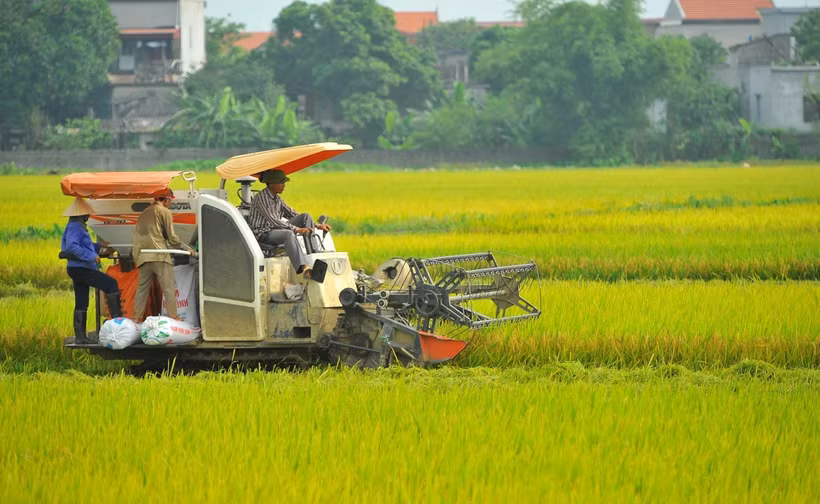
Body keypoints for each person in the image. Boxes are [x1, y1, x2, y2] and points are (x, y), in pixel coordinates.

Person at [248, 169, 331, 278]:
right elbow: (274, 221)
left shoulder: (277, 199)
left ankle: (314, 254)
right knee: (288, 234)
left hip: (274, 230)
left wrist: (317, 225)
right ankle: (304, 267)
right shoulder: (262, 198)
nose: (284, 186)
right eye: (281, 183)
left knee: (306, 216)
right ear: (272, 184)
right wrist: (296, 229)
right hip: (263, 233)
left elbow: (291, 213)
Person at [60, 197, 121, 342]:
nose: (89, 216)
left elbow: (84, 245)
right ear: (81, 214)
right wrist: (91, 256)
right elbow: (72, 247)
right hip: (82, 269)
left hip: (76, 269)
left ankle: (81, 337)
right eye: (87, 213)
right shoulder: (75, 226)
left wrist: (100, 247)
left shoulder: (77, 226)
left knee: (82, 302)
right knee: (111, 285)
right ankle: (119, 327)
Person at [132, 194, 197, 322]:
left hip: (143, 257)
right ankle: (174, 317)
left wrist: (137, 258)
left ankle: (136, 318)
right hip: (160, 255)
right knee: (168, 288)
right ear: (167, 200)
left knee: (141, 290)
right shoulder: (164, 211)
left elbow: (136, 237)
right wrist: (188, 249)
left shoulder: (143, 213)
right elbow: (172, 238)